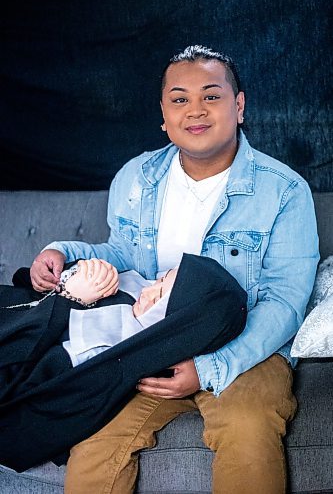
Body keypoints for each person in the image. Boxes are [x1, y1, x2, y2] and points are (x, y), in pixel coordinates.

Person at [29, 45, 319, 493]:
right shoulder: (137, 176)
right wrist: (62, 252)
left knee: (247, 426)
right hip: (153, 342)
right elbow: (124, 254)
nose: (195, 111)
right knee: (95, 441)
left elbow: (284, 302)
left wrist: (210, 368)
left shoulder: (283, 191)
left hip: (246, 350)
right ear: (164, 115)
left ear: (238, 106)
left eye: (212, 96)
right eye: (179, 99)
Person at [0, 253, 247, 472]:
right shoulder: (135, 289)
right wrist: (83, 273)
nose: (148, 291)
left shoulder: (111, 354)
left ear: (175, 325)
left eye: (160, 295)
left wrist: (67, 300)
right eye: (160, 281)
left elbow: (22, 374)